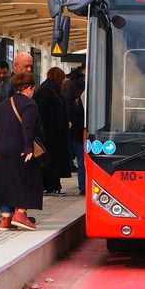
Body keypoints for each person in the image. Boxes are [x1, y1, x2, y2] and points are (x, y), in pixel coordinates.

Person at [0, 72, 43, 231]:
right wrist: (29, 147)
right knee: (28, 178)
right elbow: (28, 127)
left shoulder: (4, 104)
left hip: (1, 148)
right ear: (30, 88)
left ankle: (6, 218)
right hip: (20, 148)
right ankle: (21, 214)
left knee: (6, 181)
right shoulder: (30, 105)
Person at [35, 67, 72, 195]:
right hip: (49, 134)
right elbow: (43, 114)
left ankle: (53, 185)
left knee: (56, 160)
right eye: (61, 79)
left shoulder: (55, 90)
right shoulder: (45, 91)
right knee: (51, 160)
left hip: (57, 133)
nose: (63, 81)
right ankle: (50, 186)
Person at [63, 67, 86, 196]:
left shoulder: (73, 86)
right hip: (81, 129)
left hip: (79, 128)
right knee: (82, 159)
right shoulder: (76, 87)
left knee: (82, 159)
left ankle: (83, 185)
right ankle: (83, 185)